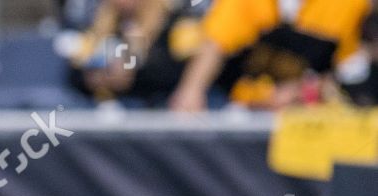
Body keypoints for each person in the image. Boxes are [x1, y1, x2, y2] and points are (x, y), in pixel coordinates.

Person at [169, 0, 373, 110]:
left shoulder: (350, 5)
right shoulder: (246, 3)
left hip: (308, 116)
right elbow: (215, 44)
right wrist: (191, 91)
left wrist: (309, 90)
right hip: (240, 107)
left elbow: (351, 70)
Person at [69, 0, 199, 105]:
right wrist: (95, 77)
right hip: (108, 109)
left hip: (155, 108)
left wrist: (133, 72)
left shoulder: (175, 22)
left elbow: (179, 73)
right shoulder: (99, 25)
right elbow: (75, 71)